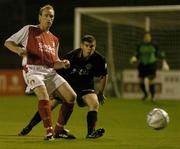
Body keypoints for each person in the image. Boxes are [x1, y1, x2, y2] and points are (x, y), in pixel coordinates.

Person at [4, 4, 77, 140]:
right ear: (40, 17)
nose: (49, 19)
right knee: (43, 94)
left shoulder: (55, 39)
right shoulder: (29, 30)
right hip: (33, 70)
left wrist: (64, 64)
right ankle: (49, 132)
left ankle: (59, 129)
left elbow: (54, 63)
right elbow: (8, 42)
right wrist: (18, 50)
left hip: (49, 72)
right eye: (46, 16)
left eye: (51, 16)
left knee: (71, 96)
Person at [18, 34, 108, 139]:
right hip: (68, 86)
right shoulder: (71, 56)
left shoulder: (99, 59)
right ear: (81, 46)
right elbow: (57, 69)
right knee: (49, 105)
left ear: (95, 46)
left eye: (92, 46)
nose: (89, 48)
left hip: (85, 88)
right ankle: (29, 126)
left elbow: (104, 75)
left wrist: (101, 92)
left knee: (94, 103)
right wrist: (54, 89)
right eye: (87, 45)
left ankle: (90, 133)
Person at [130, 32, 169, 101]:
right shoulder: (140, 45)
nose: (147, 38)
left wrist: (164, 62)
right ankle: (146, 94)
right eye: (146, 37)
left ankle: (153, 96)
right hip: (142, 64)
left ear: (150, 38)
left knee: (150, 80)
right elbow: (137, 54)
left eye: (148, 37)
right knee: (141, 81)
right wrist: (134, 58)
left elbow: (159, 53)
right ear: (144, 38)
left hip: (152, 64)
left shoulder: (154, 45)